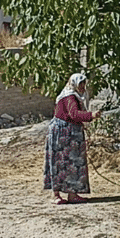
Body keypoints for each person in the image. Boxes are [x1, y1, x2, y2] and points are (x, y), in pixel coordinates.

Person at [44, 73, 100, 204]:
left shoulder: (72, 96)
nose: (83, 87)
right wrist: (91, 115)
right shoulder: (70, 97)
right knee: (62, 162)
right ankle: (57, 195)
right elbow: (74, 114)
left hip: (67, 131)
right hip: (63, 132)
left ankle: (71, 195)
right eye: (80, 84)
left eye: (84, 84)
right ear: (74, 84)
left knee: (69, 163)